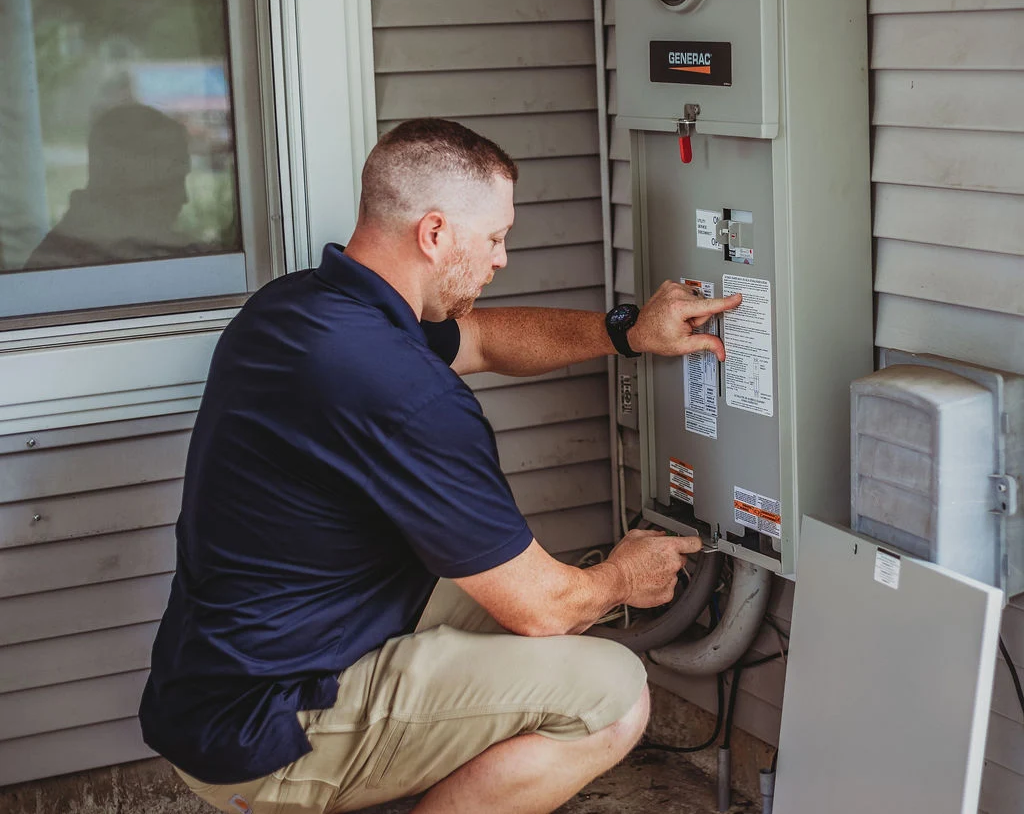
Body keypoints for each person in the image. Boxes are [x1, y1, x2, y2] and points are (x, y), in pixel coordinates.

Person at [139, 118, 741, 814]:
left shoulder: (297, 309)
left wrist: (626, 334)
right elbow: (545, 605)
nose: (501, 258)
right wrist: (623, 577)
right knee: (611, 693)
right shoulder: (406, 394)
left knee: (537, 606)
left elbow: (482, 338)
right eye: (493, 238)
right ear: (434, 233)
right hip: (265, 733)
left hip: (219, 678)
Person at [24, 103, 198, 270]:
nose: (184, 198)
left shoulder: (70, 255)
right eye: (170, 184)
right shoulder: (65, 266)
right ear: (125, 184)